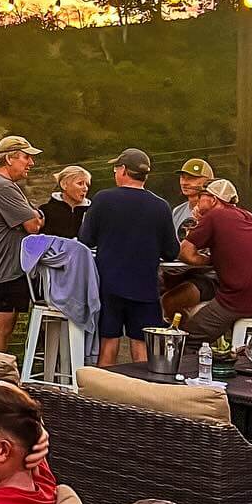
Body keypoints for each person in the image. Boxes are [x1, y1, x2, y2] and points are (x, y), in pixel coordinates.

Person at [79, 149, 179, 366]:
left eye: (116, 168)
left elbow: (86, 240)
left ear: (123, 170)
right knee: (141, 344)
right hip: (145, 286)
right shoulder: (160, 206)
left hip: (109, 285)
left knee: (108, 341)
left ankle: (103, 395)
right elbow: (172, 251)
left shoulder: (103, 199)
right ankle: (141, 395)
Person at [170, 179, 252, 344]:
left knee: (187, 339)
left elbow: (185, 253)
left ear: (213, 200)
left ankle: (189, 368)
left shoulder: (215, 216)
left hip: (241, 297)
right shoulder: (246, 215)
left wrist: (208, 260)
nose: (198, 200)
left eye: (202, 196)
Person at [0, 135, 46, 353]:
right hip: (6, 268)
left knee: (7, 324)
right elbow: (33, 225)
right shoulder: (2, 186)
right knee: (3, 325)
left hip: (9, 267)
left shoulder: (1, 184)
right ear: (9, 158)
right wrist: (38, 216)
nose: (31, 163)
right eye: (26, 157)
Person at [41, 165, 91, 239]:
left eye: (87, 184)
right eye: (80, 183)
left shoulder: (92, 212)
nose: (85, 188)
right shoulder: (45, 211)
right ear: (64, 185)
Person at [173, 158, 215, 237]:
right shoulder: (177, 211)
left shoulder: (218, 211)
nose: (184, 183)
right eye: (182, 177)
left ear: (208, 181)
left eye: (191, 178)